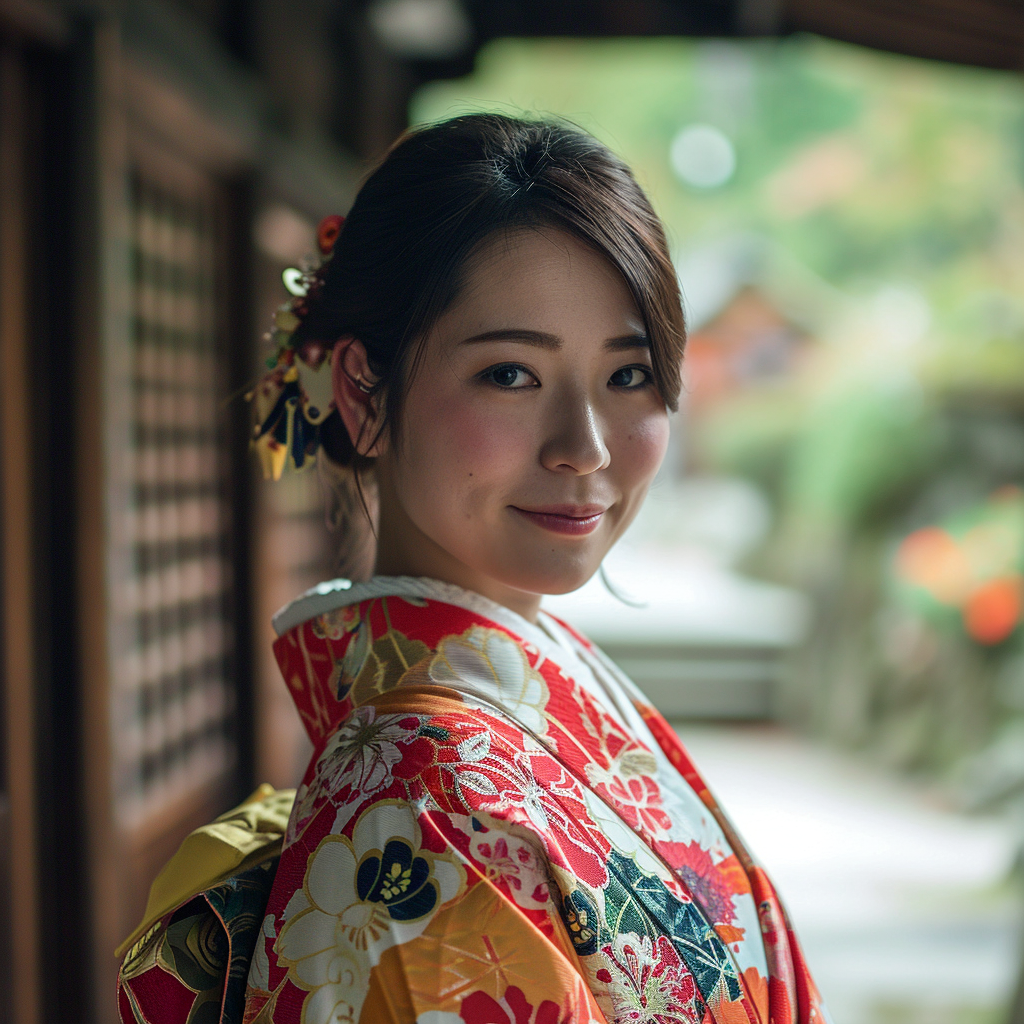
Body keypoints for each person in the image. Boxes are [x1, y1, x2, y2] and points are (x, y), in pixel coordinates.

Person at [117, 114, 829, 1024]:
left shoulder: (518, 708)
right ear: (364, 395)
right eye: (510, 375)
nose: (585, 447)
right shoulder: (426, 800)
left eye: (629, 375)